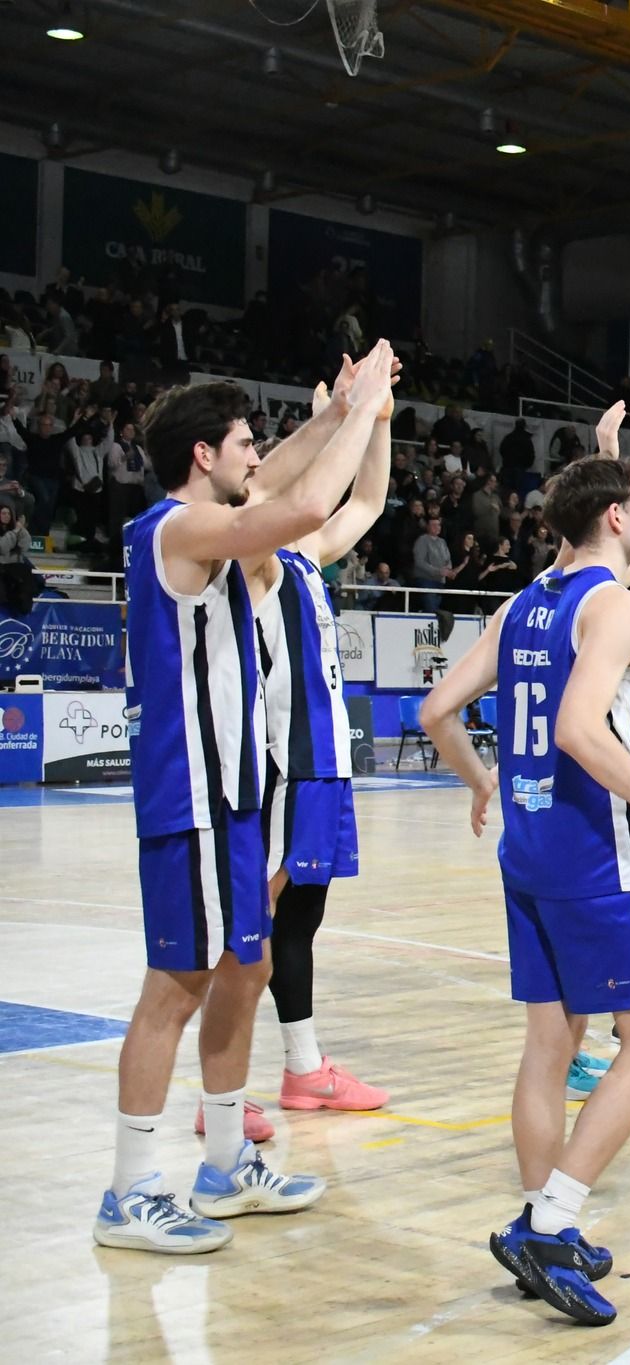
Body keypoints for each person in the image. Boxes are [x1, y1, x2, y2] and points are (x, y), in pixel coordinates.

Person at [418, 456, 630, 1326]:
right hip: (595, 857)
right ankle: (552, 1220)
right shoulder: (615, 605)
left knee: (549, 1044)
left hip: (526, 850)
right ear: (615, 516)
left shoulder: (527, 599)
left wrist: (482, 782)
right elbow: (577, 728)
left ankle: (543, 1221)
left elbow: (435, 709)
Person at [98, 346, 396, 1254]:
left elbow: (283, 475)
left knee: (247, 968)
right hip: (186, 793)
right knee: (176, 985)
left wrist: (342, 411)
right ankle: (130, 1188)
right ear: (202, 457)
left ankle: (227, 1161)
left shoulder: (216, 514)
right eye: (242, 443)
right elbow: (306, 501)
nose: (255, 455)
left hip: (235, 792)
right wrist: (363, 412)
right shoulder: (176, 529)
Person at [235, 374, 395, 1137]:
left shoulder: (302, 555)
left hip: (323, 767)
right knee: (254, 924)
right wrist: (344, 418)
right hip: (285, 763)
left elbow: (366, 502)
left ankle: (303, 1069)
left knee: (300, 919)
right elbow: (279, 491)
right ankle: (226, 1088)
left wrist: (382, 419)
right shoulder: (255, 557)